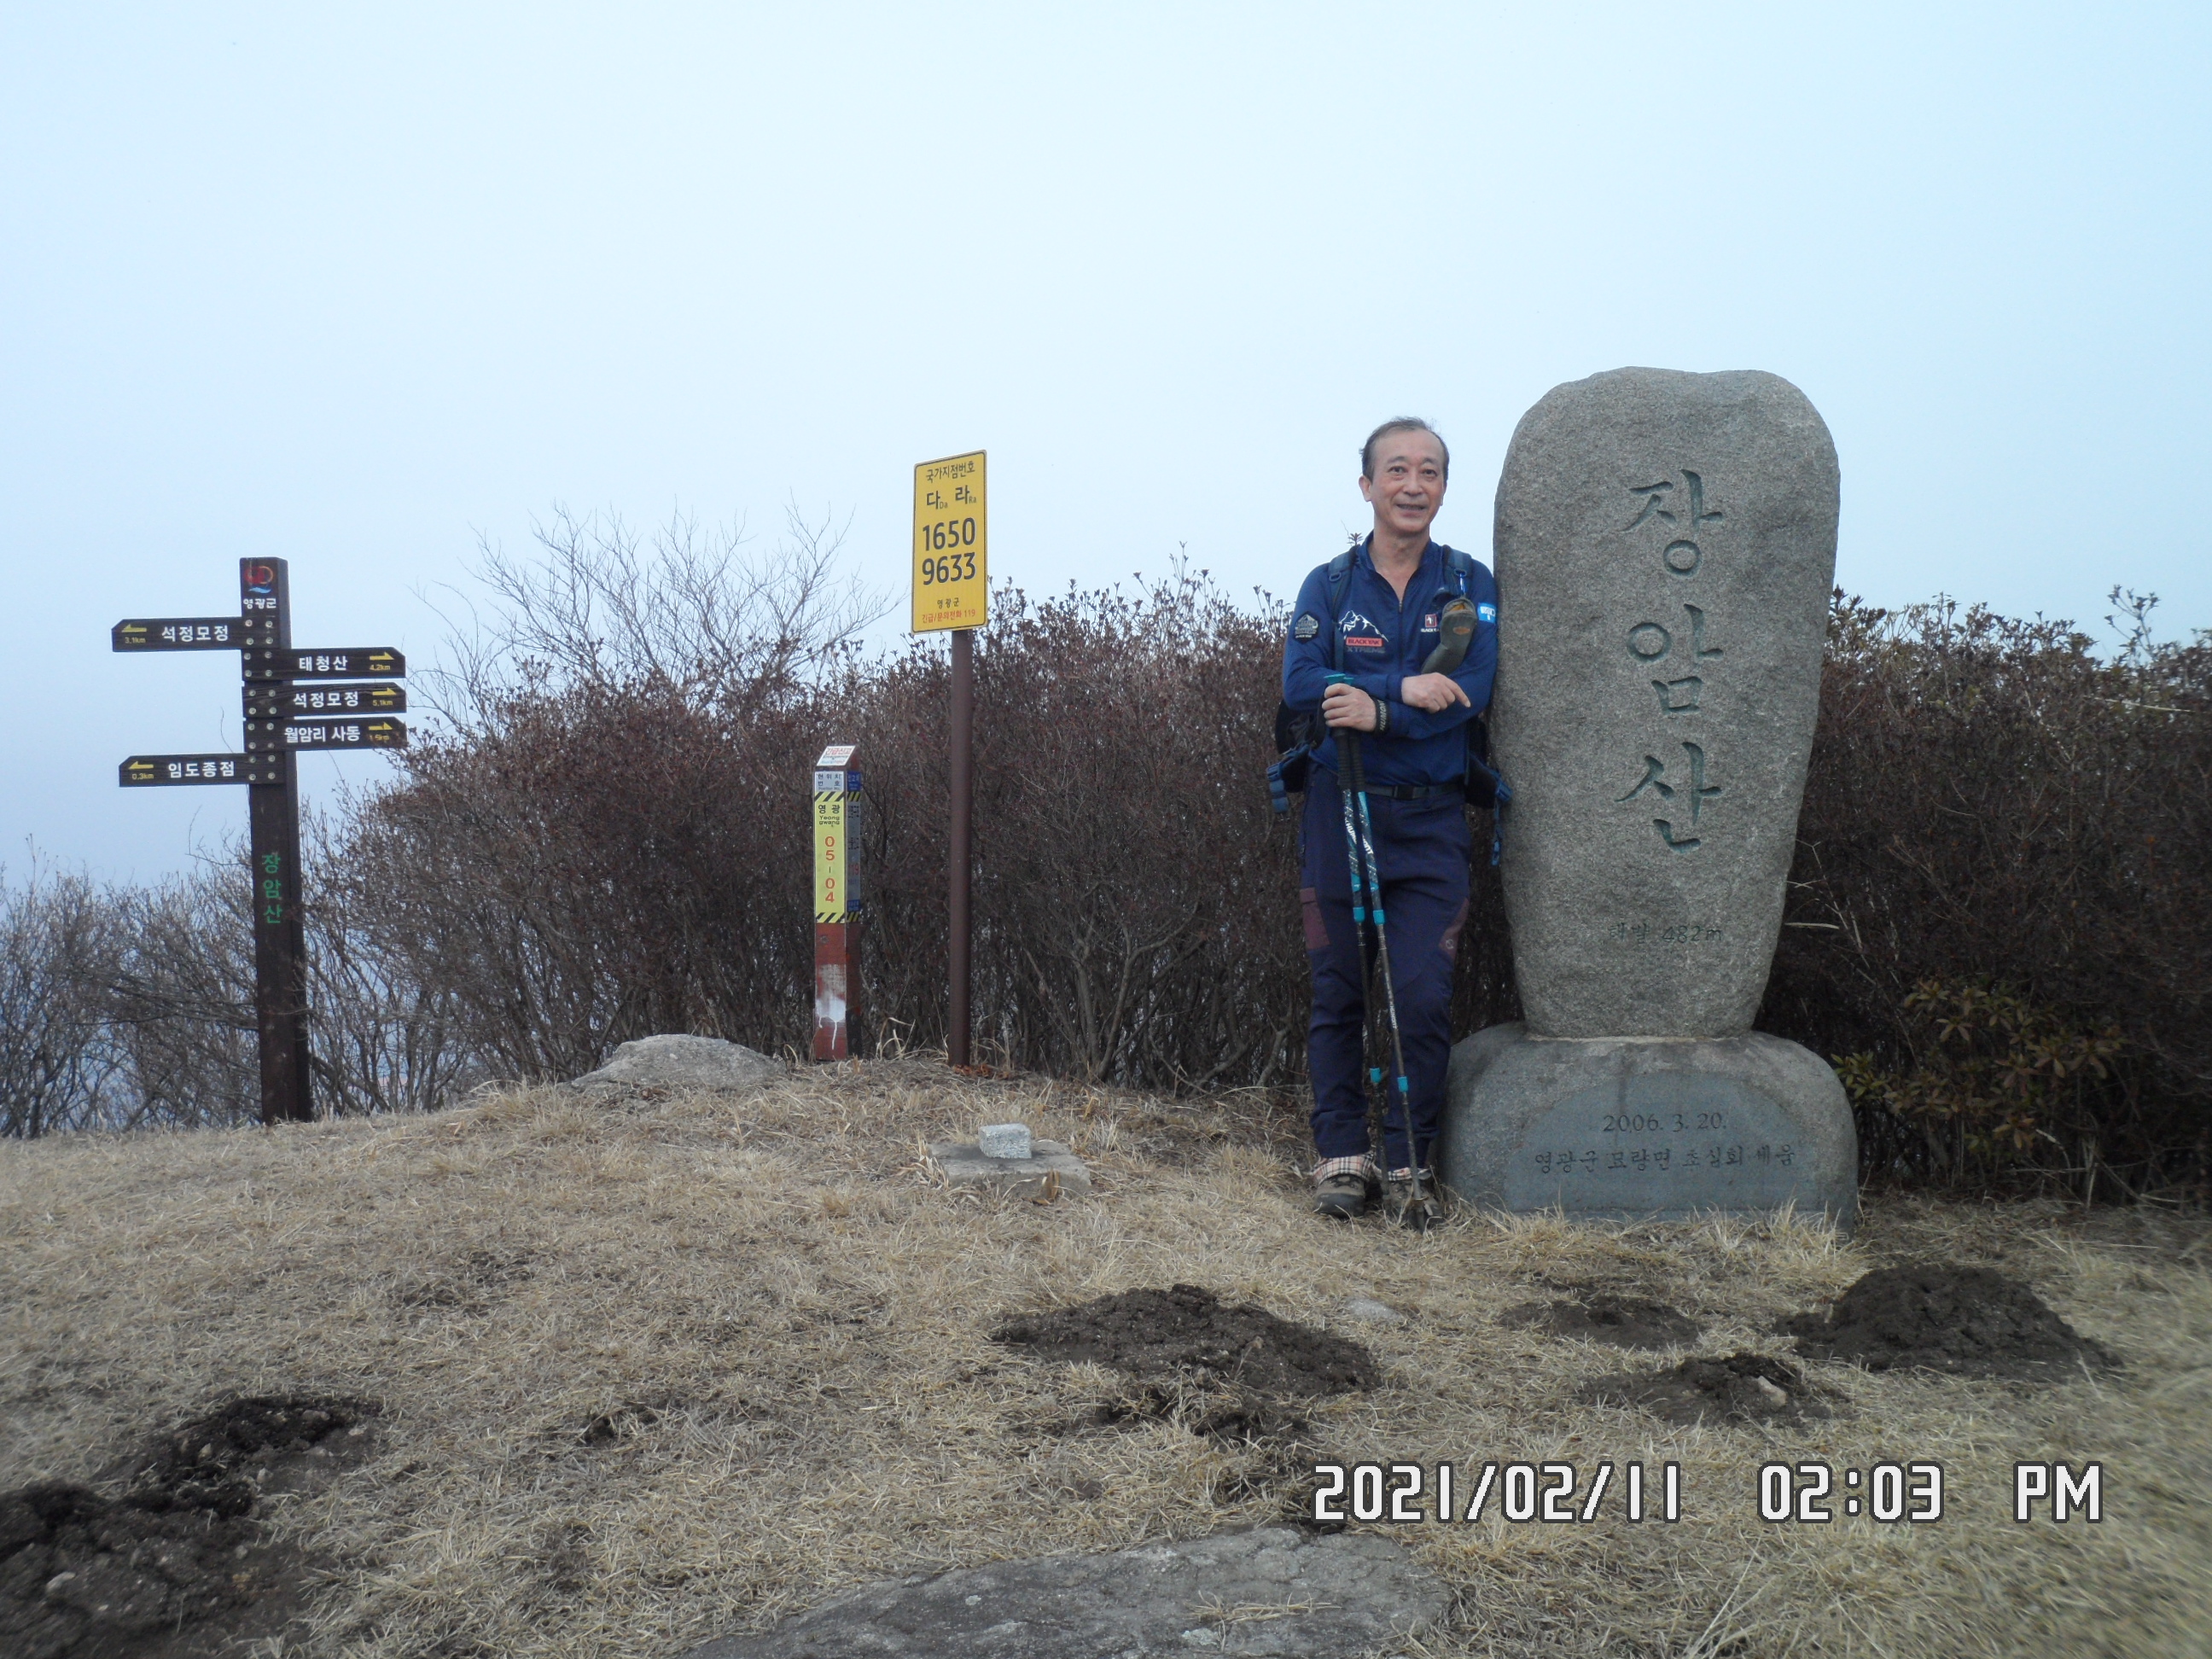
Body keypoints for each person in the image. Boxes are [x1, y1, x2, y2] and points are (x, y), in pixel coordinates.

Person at [1282, 417, 1498, 1224]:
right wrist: (1400, 690)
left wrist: (1376, 712)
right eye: (1397, 470)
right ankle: (1342, 1156)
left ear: (1443, 487)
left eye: (1430, 471)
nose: (1414, 485)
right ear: (1367, 485)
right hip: (1338, 813)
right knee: (1339, 991)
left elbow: (1472, 690)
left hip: (1432, 823)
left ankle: (1410, 1164)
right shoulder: (1330, 586)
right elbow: (1301, 682)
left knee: (1422, 997)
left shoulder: (1468, 584)